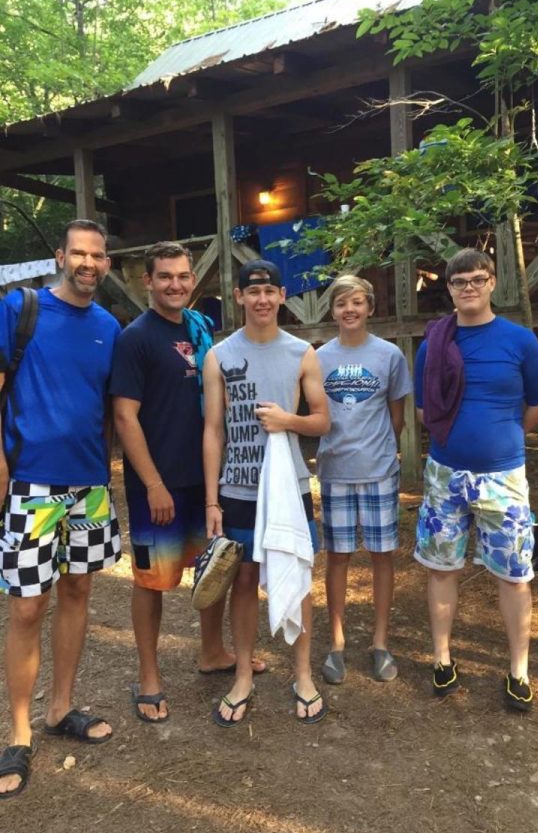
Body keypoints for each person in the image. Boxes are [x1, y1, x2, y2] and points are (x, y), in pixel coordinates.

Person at [110, 242, 265, 722]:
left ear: (192, 281)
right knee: (153, 580)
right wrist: (152, 483)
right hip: (159, 483)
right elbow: (125, 416)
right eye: (165, 277)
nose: (175, 284)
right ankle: (150, 675)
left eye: (182, 276)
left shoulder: (201, 330)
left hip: (207, 479)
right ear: (148, 282)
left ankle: (213, 651)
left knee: (214, 568)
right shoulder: (135, 338)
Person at [0, 219, 122, 799]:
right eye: (79, 253)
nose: (88, 263)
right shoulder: (20, 310)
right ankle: (19, 733)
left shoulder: (108, 326)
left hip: (89, 485)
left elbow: (107, 409)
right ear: (60, 256)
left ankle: (60, 708)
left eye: (98, 255)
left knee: (77, 594)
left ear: (106, 262)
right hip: (30, 484)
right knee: (27, 609)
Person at [414, 248, 538, 711]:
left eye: (476, 279)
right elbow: (423, 410)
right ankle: (442, 657)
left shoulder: (521, 341)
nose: (468, 288)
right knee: (441, 567)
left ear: (492, 282)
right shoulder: (434, 344)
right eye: (459, 282)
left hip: (503, 477)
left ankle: (518, 670)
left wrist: (502, 438)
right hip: (444, 473)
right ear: (449, 289)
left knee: (514, 574)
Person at [203, 259, 330, 726]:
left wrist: (288, 422)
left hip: (289, 485)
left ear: (281, 297)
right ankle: (242, 674)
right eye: (251, 292)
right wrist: (212, 500)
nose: (261, 299)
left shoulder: (302, 353)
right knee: (242, 580)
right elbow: (213, 431)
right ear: (238, 297)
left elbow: (321, 420)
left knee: (296, 573)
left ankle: (302, 674)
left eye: (269, 291)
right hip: (238, 486)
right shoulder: (219, 355)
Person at [316, 275, 412, 684]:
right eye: (341, 303)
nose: (349, 310)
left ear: (370, 307)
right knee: (336, 557)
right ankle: (336, 644)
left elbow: (396, 415)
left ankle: (379, 643)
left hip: (378, 471)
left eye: (357, 302)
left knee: (381, 557)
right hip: (334, 470)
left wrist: (385, 450)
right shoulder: (317, 357)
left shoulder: (389, 355)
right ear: (332, 310)